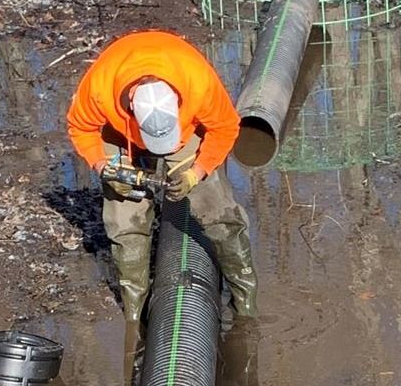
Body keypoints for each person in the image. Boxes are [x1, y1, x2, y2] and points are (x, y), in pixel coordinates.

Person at [65, 30, 258, 323]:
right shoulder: (99, 88)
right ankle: (134, 314)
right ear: (130, 106)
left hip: (185, 133)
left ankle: (246, 303)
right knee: (124, 222)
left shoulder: (198, 82)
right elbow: (80, 128)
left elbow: (226, 127)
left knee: (217, 212)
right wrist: (103, 167)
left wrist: (197, 172)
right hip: (120, 136)